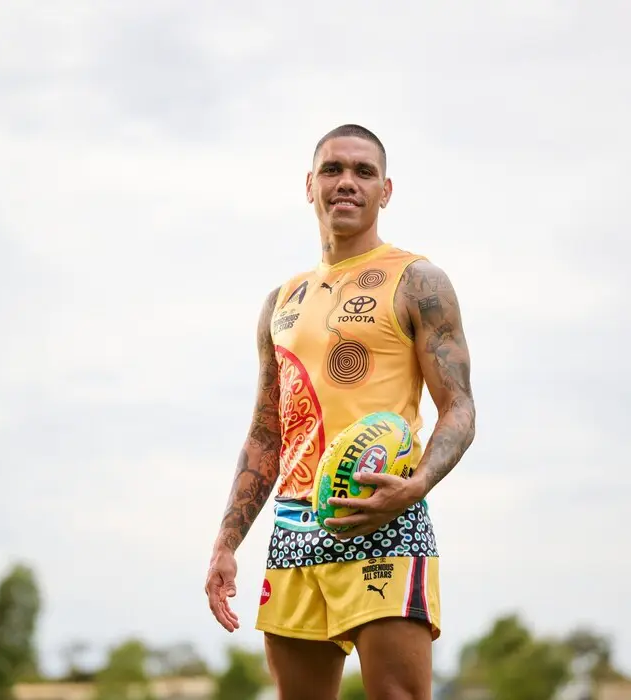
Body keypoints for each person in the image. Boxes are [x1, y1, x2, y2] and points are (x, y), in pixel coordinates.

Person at [204, 124, 476, 700]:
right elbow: (265, 432)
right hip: (294, 529)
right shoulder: (280, 302)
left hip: (383, 514)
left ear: (386, 190)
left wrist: (417, 485)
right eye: (332, 170)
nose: (346, 182)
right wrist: (227, 542)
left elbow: (459, 407)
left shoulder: (418, 280)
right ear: (310, 186)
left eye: (363, 171)